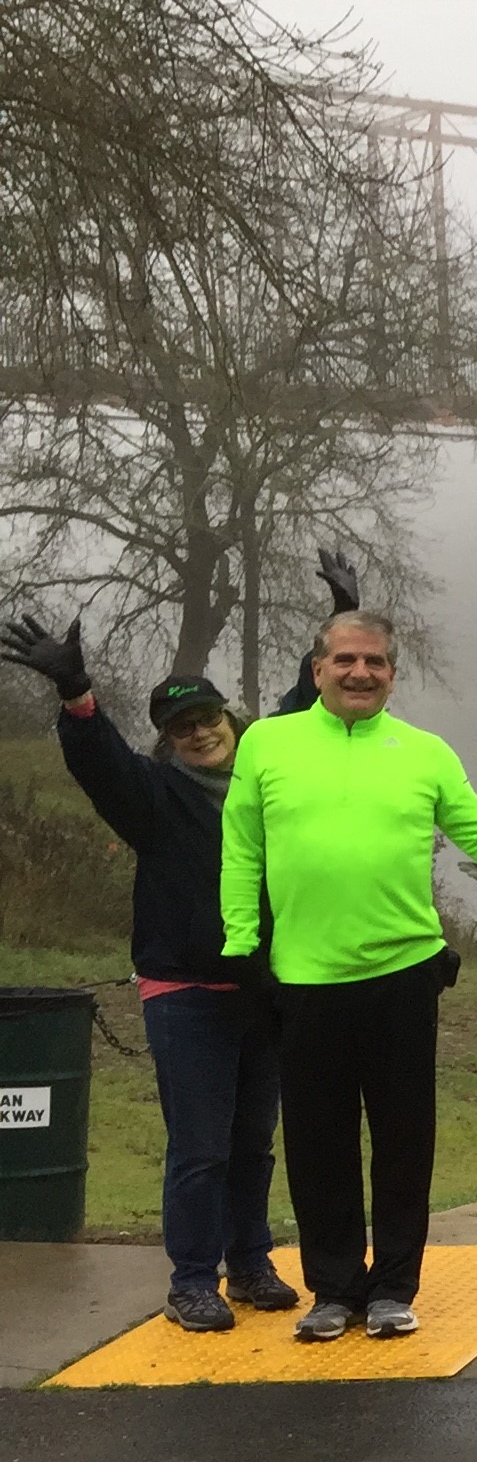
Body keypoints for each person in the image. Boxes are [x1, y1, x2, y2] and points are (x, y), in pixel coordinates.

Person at [220, 607, 477, 1344]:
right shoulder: (268, 742)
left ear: (393, 673)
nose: (362, 673)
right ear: (319, 667)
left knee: (402, 1141)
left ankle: (393, 1287)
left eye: (377, 664)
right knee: (318, 1144)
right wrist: (242, 950)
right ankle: (333, 1289)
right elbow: (241, 852)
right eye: (347, 661)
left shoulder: (425, 752)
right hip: (304, 981)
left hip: (403, 976)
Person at [0, 554, 354, 1329]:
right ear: (169, 739)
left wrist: (334, 624)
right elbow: (99, 763)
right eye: (182, 727)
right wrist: (75, 694)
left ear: (231, 720)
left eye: (208, 719)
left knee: (254, 1141)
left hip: (266, 987)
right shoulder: (152, 799)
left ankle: (250, 1264)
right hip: (185, 991)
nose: (199, 734)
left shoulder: (271, 777)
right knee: (200, 1145)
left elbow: (303, 705)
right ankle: (191, 1279)